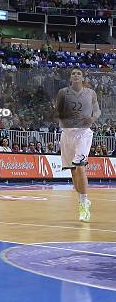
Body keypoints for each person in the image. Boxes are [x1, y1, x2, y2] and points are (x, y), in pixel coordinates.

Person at [56, 68, 100, 222]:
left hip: (82, 134)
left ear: (82, 77)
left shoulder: (90, 93)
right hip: (67, 135)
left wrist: (91, 120)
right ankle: (83, 200)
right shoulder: (63, 93)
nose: (76, 75)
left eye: (78, 73)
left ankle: (83, 205)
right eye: (73, 73)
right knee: (73, 173)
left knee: (80, 166)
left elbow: (97, 112)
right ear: (70, 77)